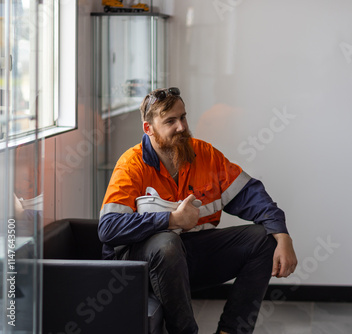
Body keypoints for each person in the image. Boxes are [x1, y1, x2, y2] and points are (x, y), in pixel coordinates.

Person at [98, 87, 297, 334]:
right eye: (170, 121)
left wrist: (282, 235)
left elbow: (250, 194)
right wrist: (172, 219)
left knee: (263, 241)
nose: (181, 127)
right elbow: (108, 229)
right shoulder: (131, 165)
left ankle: (231, 331)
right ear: (148, 128)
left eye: (182, 117)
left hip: (184, 258)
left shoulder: (204, 155)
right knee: (166, 243)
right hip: (140, 267)